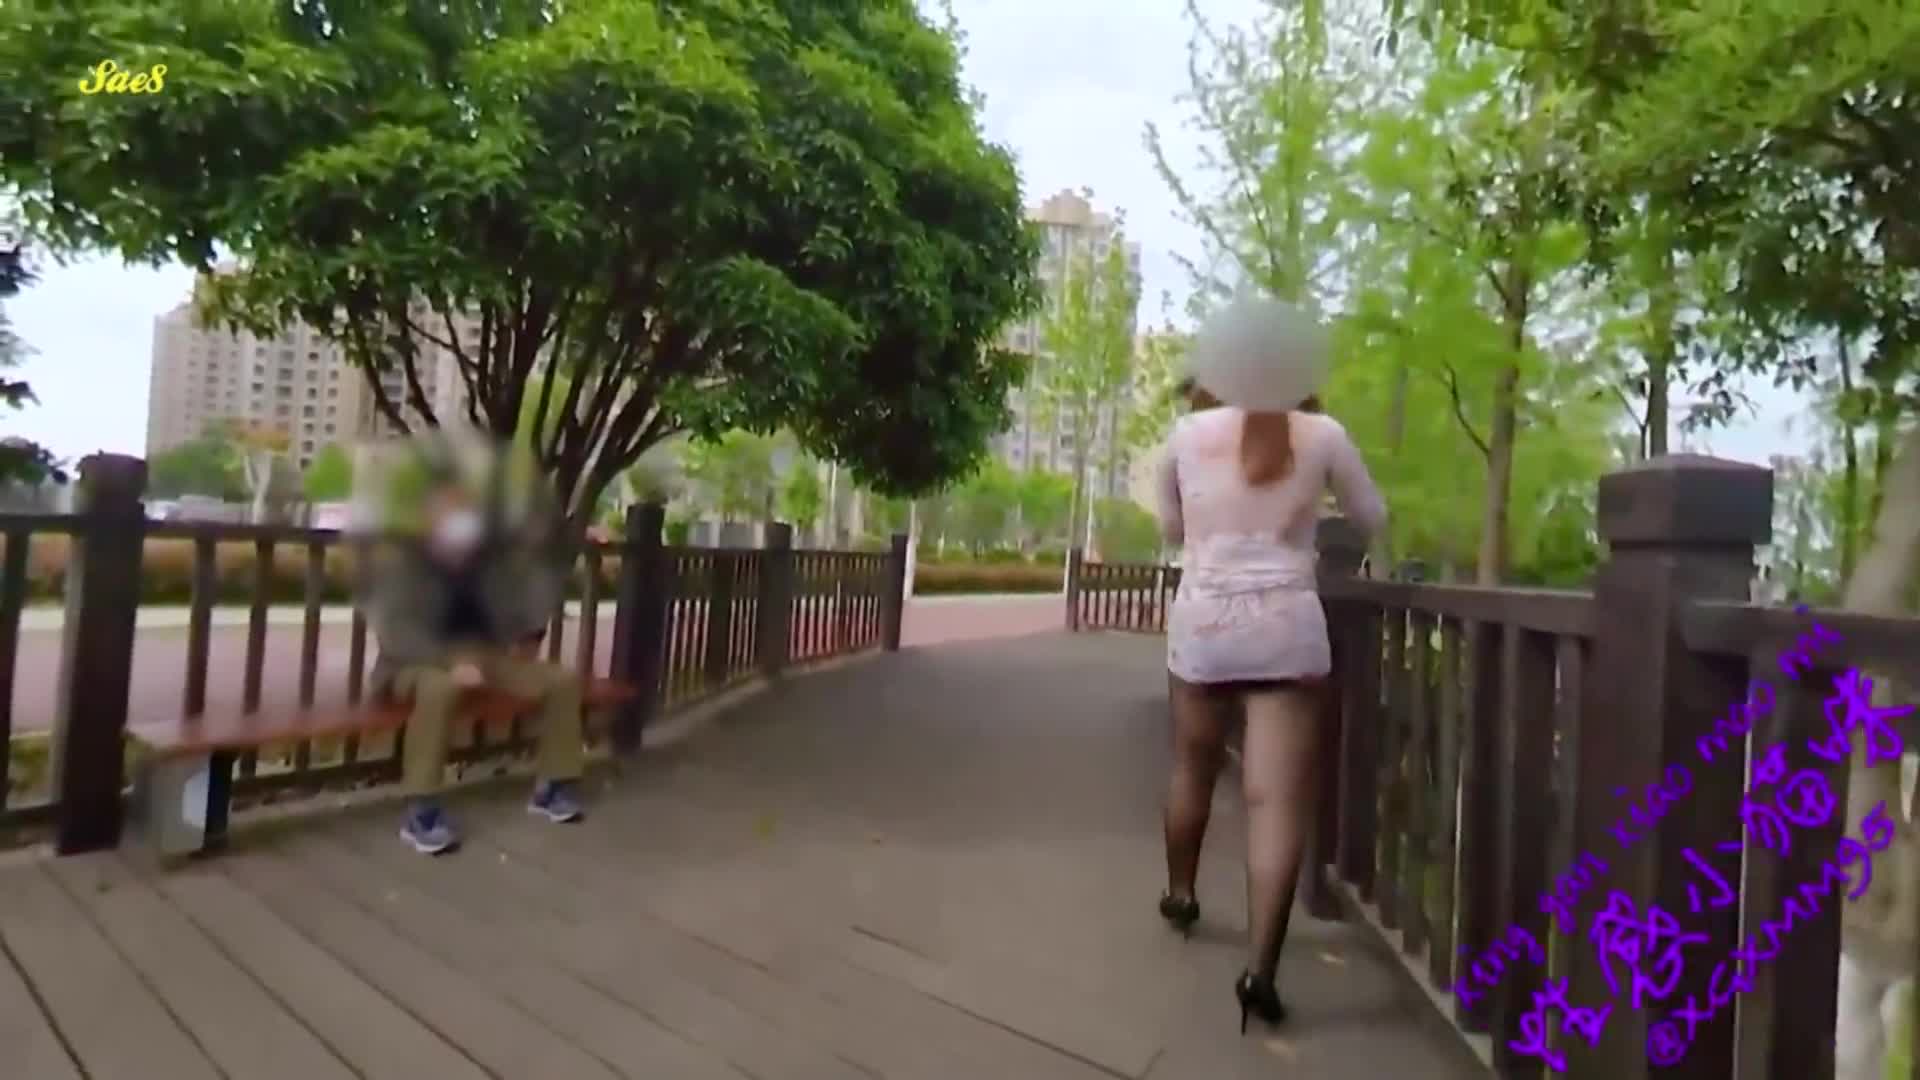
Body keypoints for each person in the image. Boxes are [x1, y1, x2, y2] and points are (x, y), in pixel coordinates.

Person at [1154, 297, 1386, 1032]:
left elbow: (1170, 527)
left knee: (1192, 767)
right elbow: (1373, 517)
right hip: (1287, 631)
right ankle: (1260, 970)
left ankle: (1182, 893)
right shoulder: (1324, 434)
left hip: (1205, 627)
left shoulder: (1185, 435)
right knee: (1276, 802)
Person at [353, 429, 589, 855]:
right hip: (411, 663)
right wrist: (450, 663)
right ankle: (422, 810)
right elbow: (396, 631)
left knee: (562, 681)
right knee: (441, 688)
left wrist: (527, 631)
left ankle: (553, 787)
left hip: (483, 657)